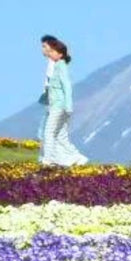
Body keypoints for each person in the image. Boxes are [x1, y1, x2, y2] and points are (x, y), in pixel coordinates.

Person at [39, 34, 88, 167]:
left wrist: (68, 106)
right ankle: (77, 158)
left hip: (59, 106)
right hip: (57, 106)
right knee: (61, 135)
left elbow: (67, 86)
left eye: (53, 51)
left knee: (49, 132)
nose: (50, 53)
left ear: (60, 54)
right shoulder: (57, 65)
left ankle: (47, 160)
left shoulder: (61, 66)